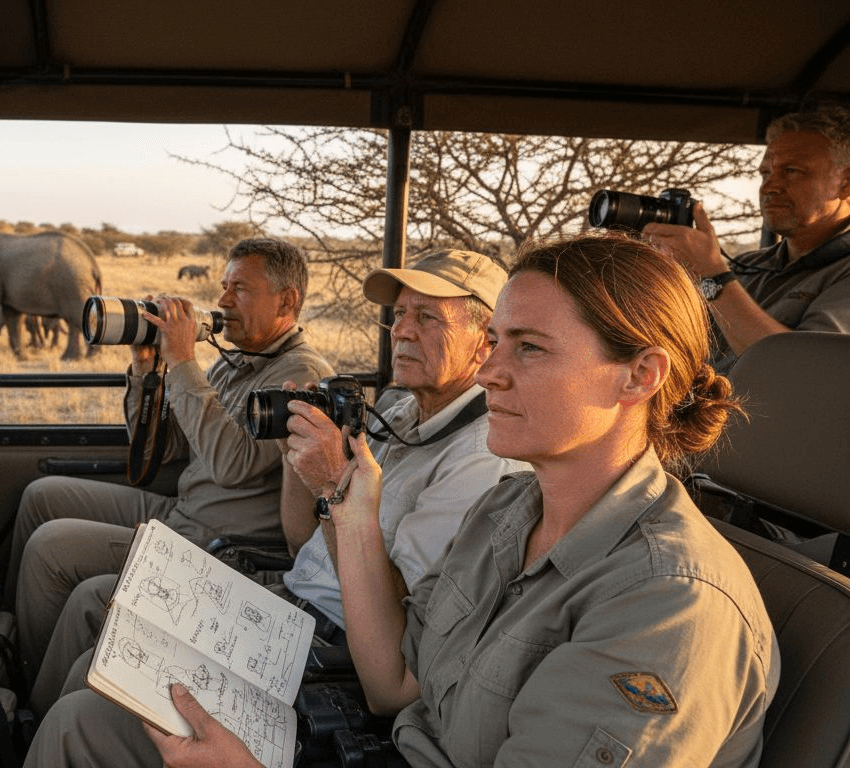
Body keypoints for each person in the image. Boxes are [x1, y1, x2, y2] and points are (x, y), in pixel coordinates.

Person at [145, 232, 779, 767]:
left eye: (529, 347)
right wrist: (348, 497)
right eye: (497, 341)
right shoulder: (508, 513)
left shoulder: (667, 604)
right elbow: (392, 687)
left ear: (641, 374)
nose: (489, 371)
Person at [23, 250, 529, 723]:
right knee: (95, 609)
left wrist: (332, 483)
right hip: (285, 594)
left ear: (487, 340)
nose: (401, 332)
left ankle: (44, 729)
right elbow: (296, 543)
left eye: (428, 318)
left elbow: (393, 639)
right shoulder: (396, 411)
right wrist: (297, 456)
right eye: (398, 315)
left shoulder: (480, 457)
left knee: (83, 699)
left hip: (324, 638)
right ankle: (31, 724)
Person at [9, 238, 336, 677]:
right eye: (223, 285)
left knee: (52, 548)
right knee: (41, 496)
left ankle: (30, 684)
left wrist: (184, 360)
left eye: (239, 288)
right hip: (181, 510)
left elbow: (232, 465)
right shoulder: (233, 361)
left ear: (287, 300)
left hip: (218, 542)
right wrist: (147, 369)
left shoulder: (302, 376)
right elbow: (161, 455)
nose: (222, 300)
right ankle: (15, 643)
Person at [646, 105, 850, 373]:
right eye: (766, 173)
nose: (769, 187)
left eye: (791, 171)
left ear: (846, 183)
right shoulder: (745, 267)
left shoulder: (841, 272)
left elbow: (801, 372)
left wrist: (712, 275)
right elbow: (671, 343)